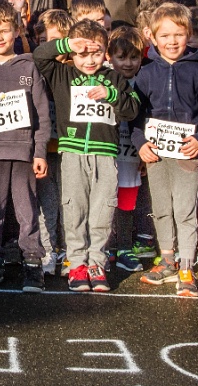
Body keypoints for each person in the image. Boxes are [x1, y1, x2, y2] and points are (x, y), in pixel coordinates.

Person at [33, 19, 140, 292]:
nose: (89, 60)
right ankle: (77, 263)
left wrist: (111, 94)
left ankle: (97, 263)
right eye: (82, 54)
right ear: (72, 53)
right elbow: (40, 56)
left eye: (96, 53)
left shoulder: (115, 78)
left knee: (103, 211)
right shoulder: (63, 74)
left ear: (106, 51)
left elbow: (132, 109)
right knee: (74, 209)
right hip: (72, 153)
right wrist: (67, 44)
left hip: (105, 155)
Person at [133, 3, 198, 295]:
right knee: (161, 209)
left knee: (185, 210)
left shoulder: (197, 71)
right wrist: (140, 144)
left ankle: (187, 265)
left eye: (179, 35)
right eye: (166, 35)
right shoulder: (146, 72)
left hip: (186, 153)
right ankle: (167, 259)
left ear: (189, 35)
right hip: (156, 154)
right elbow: (135, 115)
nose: (172, 41)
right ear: (153, 38)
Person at [0, 0, 52, 292]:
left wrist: (39, 151)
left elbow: (41, 113)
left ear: (16, 30)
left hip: (23, 152)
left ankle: (33, 264)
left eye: (4, 30)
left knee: (27, 210)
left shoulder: (30, 67)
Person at [32, 8, 74, 275]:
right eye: (43, 41)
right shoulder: (34, 68)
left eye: (55, 41)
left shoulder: (75, 69)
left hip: (70, 148)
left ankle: (70, 250)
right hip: (44, 150)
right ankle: (48, 250)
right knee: (46, 203)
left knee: (69, 202)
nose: (49, 46)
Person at [106, 26, 147, 274]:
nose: (128, 63)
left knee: (127, 199)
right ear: (110, 56)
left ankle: (124, 247)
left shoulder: (143, 81)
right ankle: (107, 245)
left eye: (134, 57)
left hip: (131, 151)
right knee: (105, 198)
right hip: (107, 150)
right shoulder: (103, 79)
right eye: (121, 57)